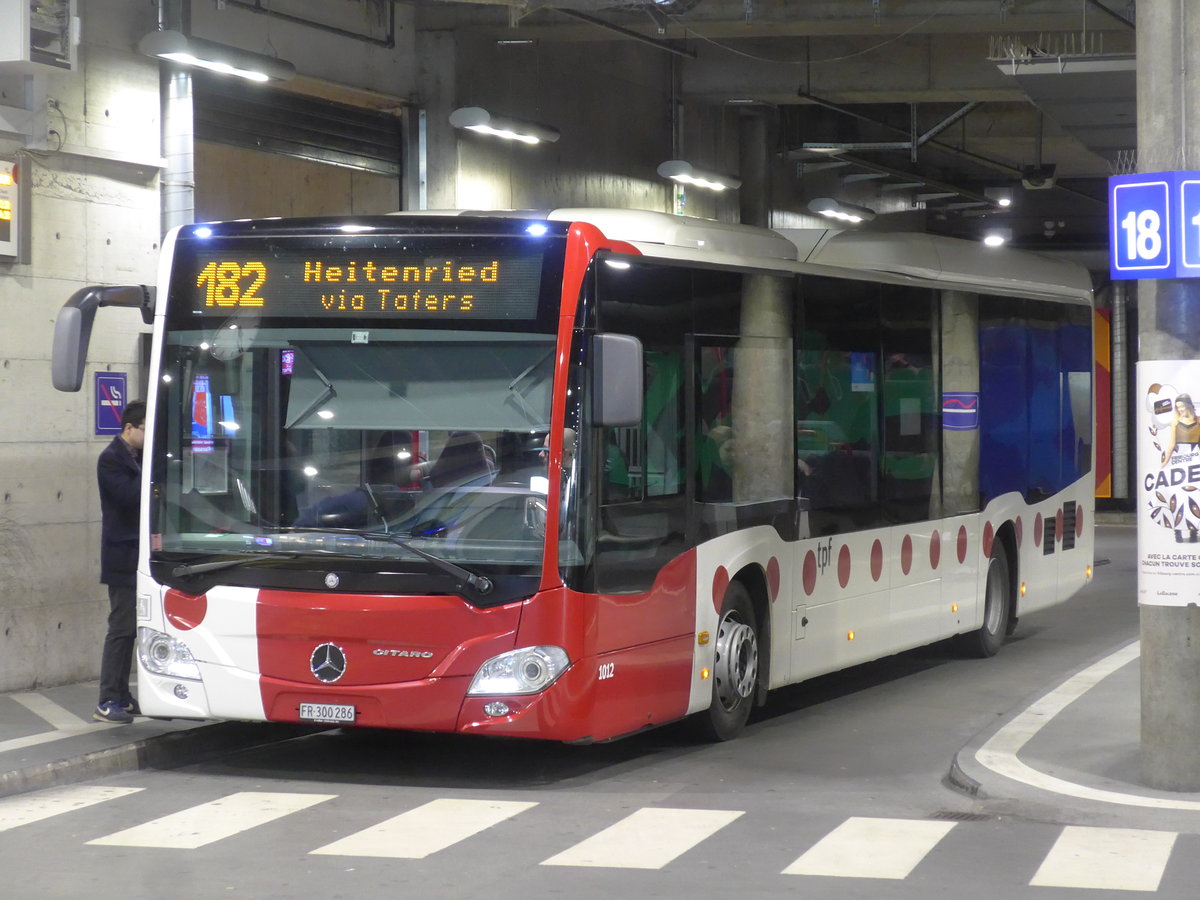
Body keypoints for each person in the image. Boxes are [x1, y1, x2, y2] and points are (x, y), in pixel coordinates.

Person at [94, 400, 145, 724]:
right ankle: (107, 698)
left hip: (141, 555)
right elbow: (130, 498)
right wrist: (153, 469)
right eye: (146, 430)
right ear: (129, 428)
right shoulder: (110, 459)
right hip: (122, 556)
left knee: (132, 631)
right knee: (121, 629)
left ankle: (123, 696)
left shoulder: (137, 457)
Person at [1161, 393, 1200, 466]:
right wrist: (1165, 462)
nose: (1180, 410)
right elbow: (1172, 444)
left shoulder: (1198, 420)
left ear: (1188, 405)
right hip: (1180, 459)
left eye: (1182, 406)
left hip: (1196, 459)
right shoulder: (1175, 422)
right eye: (1178, 407)